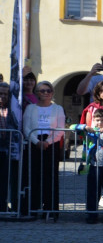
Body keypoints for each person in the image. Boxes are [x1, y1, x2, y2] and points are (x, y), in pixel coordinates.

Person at [23, 80, 66, 220]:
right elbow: (26, 127)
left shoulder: (58, 108)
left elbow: (60, 129)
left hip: (51, 143)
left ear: (52, 93)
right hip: (34, 142)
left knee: (51, 178)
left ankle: (51, 210)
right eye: (42, 91)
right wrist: (36, 142)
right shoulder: (30, 108)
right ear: (37, 93)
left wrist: (48, 142)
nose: (46, 93)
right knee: (33, 176)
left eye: (48, 91)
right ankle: (33, 208)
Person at [0, 82, 21, 213]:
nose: (2, 96)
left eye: (5, 94)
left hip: (7, 149)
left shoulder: (12, 109)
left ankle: (3, 206)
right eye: (0, 94)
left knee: (4, 181)